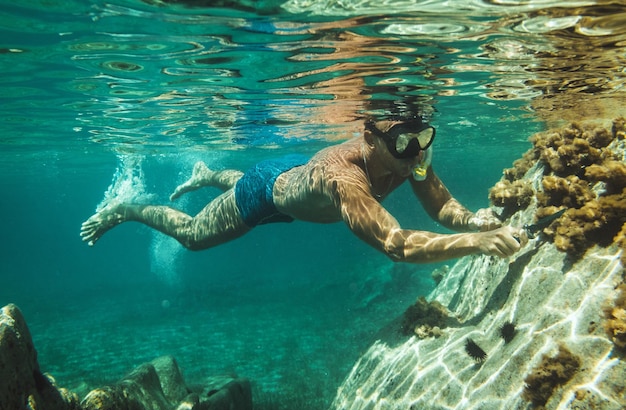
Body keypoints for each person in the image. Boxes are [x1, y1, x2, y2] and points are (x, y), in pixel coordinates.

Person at [81, 116, 527, 263]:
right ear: (370, 137)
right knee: (195, 236)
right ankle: (128, 207)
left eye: (423, 137)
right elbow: (397, 244)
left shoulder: (408, 152)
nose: (416, 152)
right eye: (404, 142)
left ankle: (207, 174)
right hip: (267, 192)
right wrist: (476, 242)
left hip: (292, 175)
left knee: (254, 179)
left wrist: (470, 219)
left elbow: (440, 204)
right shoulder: (345, 178)